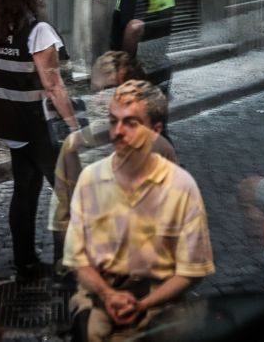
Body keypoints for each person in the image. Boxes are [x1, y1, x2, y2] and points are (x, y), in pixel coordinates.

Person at [64, 79, 214, 341]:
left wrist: (143, 305)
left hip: (161, 305)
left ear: (155, 132)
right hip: (99, 300)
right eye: (113, 121)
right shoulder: (91, 179)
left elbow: (192, 271)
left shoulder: (180, 186)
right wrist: (108, 295)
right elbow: (78, 260)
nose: (117, 132)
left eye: (131, 123)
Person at [0, 0, 80, 278]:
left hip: (12, 123)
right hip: (38, 124)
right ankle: (66, 263)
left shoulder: (0, 29)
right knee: (68, 191)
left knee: (25, 190)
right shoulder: (38, 31)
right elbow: (53, 84)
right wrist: (73, 124)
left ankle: (25, 262)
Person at [49, 60, 178, 277]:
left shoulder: (160, 149)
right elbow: (63, 212)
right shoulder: (77, 146)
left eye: (110, 91)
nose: (100, 98)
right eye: (97, 90)